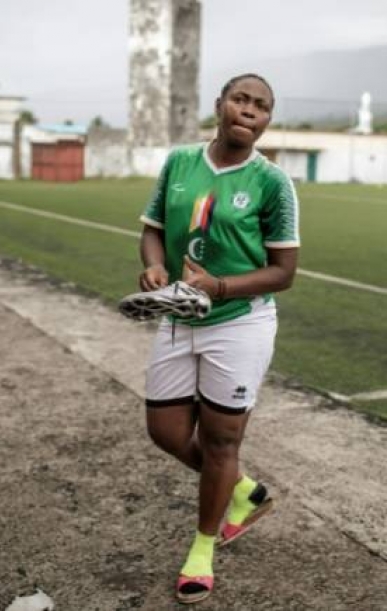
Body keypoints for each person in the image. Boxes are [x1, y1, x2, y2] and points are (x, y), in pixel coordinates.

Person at [136, 73, 300, 604]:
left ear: (267, 119)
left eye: (261, 106)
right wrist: (156, 267)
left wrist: (221, 286)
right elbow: (153, 227)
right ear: (220, 105)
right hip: (180, 313)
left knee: (223, 440)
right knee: (165, 430)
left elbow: (283, 272)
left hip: (240, 323)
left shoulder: (273, 183)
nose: (249, 111)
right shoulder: (181, 162)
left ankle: (202, 549)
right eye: (240, 100)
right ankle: (244, 491)